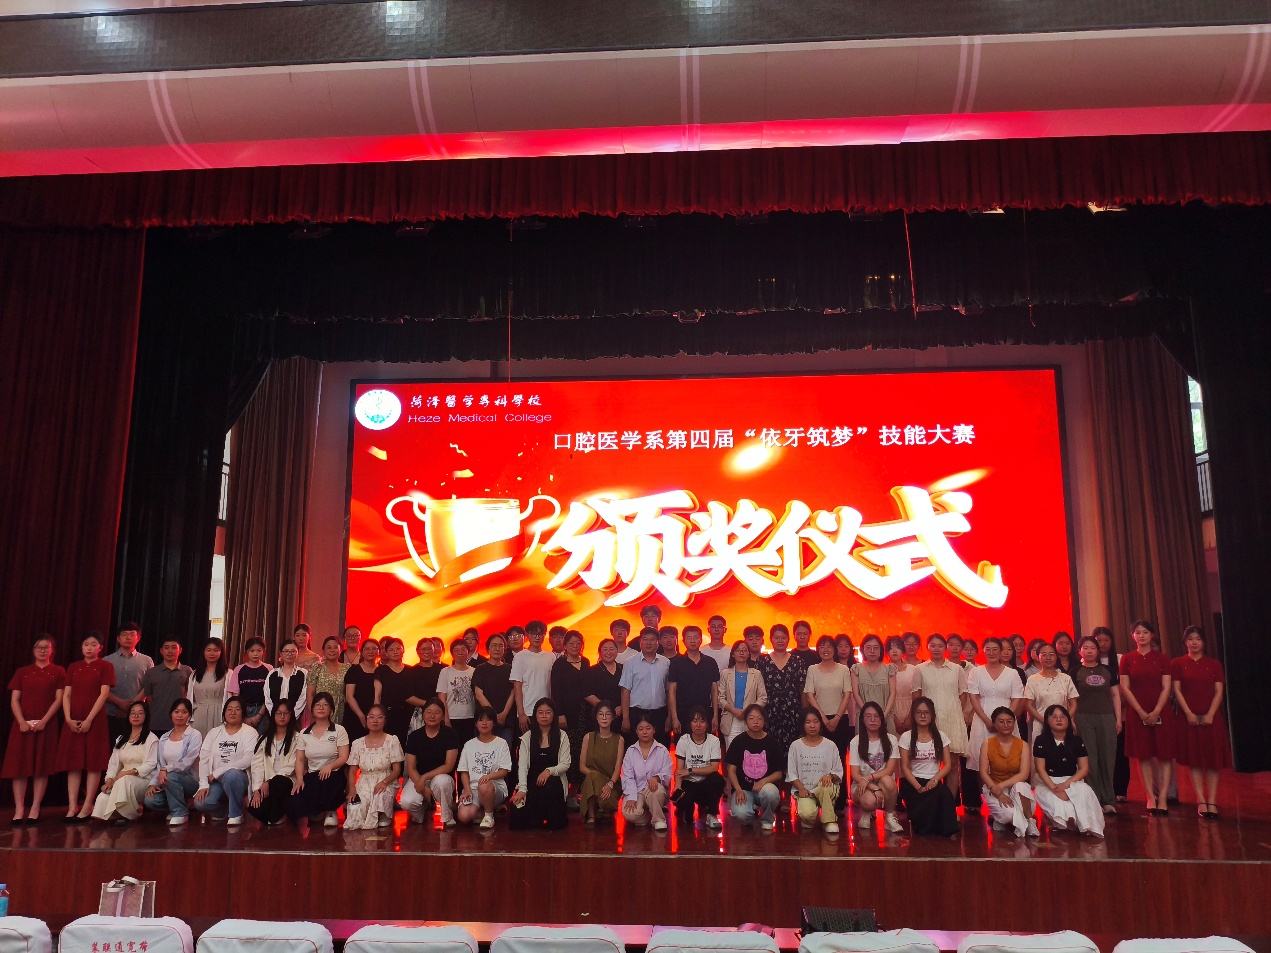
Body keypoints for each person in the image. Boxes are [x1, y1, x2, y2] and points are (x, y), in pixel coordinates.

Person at [3, 634, 65, 823]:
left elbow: (59, 699)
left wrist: (45, 720)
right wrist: (21, 721)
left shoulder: (58, 671)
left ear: (52, 650)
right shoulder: (22, 672)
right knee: (19, 767)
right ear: (33, 650)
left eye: (46, 647)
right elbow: (14, 700)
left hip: (47, 725)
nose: (42, 651)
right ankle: (19, 808)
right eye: (39, 647)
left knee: (41, 767)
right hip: (22, 725)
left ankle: (35, 807)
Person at [1171, 625, 1231, 819]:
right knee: (1194, 760)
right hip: (1187, 718)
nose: (1194, 642)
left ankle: (1212, 800)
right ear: (1185, 642)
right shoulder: (1178, 663)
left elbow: (1219, 691)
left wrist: (1211, 714)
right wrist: (1188, 713)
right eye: (1190, 639)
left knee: (1213, 761)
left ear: (1204, 642)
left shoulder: (1214, 664)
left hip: (1212, 717)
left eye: (1198, 639)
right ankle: (1201, 800)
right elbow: (1177, 690)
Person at [1119, 620, 1176, 815]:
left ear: (1152, 635)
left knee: (1164, 755)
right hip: (1137, 713)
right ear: (1133, 636)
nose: (1141, 635)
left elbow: (1167, 687)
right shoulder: (1127, 659)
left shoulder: (1163, 659)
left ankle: (1164, 797)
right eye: (1137, 632)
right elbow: (1125, 688)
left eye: (1145, 632)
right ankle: (1150, 797)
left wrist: (1157, 710)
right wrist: (1141, 712)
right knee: (1143, 755)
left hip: (1161, 711)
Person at [57, 632, 114, 822]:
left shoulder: (105, 666)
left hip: (95, 720)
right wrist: (68, 718)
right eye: (86, 644)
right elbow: (66, 695)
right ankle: (72, 805)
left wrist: (89, 719)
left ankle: (88, 804)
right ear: (82, 647)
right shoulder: (73, 667)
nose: (89, 648)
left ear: (100, 648)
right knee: (73, 763)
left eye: (94, 644)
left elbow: (104, 694)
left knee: (93, 763)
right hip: (73, 719)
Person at [910, 634, 968, 803]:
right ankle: (931, 803)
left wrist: (954, 710)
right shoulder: (920, 669)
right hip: (929, 722)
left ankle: (949, 805)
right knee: (930, 763)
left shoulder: (957, 669)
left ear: (945, 648)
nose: (936, 649)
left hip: (952, 719)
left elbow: (963, 695)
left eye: (940, 646)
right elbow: (916, 695)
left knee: (953, 765)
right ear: (928, 647)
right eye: (933, 645)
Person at [1032, 704, 1104, 836]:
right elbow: (1040, 769)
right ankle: (1063, 823)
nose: (1059, 719)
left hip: (1072, 781)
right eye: (1054, 717)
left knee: (1084, 790)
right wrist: (1054, 788)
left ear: (1068, 720)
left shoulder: (1076, 740)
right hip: (1048, 782)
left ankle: (1088, 826)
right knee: (1059, 804)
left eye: (1063, 716)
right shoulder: (1041, 740)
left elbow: (1084, 769)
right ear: (1047, 720)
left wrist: (1066, 785)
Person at [897, 697, 960, 837]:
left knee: (945, 794)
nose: (923, 716)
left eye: (926, 712)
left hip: (933, 781)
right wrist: (919, 787)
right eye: (919, 712)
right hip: (912, 782)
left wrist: (934, 780)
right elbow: (904, 767)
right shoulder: (906, 737)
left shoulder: (941, 736)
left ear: (932, 715)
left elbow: (948, 765)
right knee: (922, 819)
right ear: (913, 715)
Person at [1072, 635, 1121, 814]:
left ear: (1098, 651)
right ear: (1080, 651)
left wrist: (1118, 718)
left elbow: (1115, 695)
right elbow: (1071, 698)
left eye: (1093, 648)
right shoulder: (1075, 672)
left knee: (1107, 758)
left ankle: (1109, 800)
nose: (1089, 651)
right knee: (1089, 760)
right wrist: (1072, 719)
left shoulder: (1108, 670)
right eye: (1085, 648)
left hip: (1106, 717)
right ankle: (1093, 800)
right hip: (1083, 717)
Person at [965, 637, 1025, 783]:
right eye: (988, 650)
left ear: (1001, 651)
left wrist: (1005, 721)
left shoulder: (1012, 673)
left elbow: (1017, 698)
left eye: (995, 649)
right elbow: (973, 698)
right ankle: (985, 793)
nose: (991, 653)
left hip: (1007, 717)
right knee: (982, 760)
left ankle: (1006, 791)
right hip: (982, 717)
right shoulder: (976, 672)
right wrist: (987, 721)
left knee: (1008, 758)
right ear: (983, 651)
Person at [289, 691, 351, 826]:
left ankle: (331, 811)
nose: (321, 708)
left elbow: (344, 757)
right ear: (312, 710)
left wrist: (330, 766)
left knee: (331, 781)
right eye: (317, 705)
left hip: (334, 773)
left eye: (325, 705)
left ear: (331, 709)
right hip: (313, 775)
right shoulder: (304, 733)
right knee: (297, 802)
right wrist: (299, 778)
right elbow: (300, 760)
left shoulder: (339, 730)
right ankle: (317, 812)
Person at [193, 696, 255, 826]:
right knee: (200, 803)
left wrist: (219, 771)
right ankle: (222, 810)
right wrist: (203, 784)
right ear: (224, 712)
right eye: (229, 709)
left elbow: (248, 759)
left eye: (237, 709)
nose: (233, 712)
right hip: (217, 782)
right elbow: (204, 759)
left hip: (239, 780)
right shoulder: (214, 732)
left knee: (232, 775)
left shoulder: (250, 732)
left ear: (243, 712)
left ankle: (236, 814)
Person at [510, 697, 570, 831]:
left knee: (549, 785)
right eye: (540, 712)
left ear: (554, 715)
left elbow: (565, 764)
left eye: (548, 712)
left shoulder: (562, 736)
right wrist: (522, 790)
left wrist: (548, 771)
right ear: (535, 715)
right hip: (532, 782)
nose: (544, 716)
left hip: (554, 782)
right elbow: (522, 767)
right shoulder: (527, 737)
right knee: (517, 816)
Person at [91, 701, 157, 823]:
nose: (136, 716)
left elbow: (151, 764)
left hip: (143, 779)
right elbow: (113, 764)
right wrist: (109, 780)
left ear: (146, 716)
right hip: (121, 779)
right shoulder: (121, 739)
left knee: (125, 781)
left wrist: (128, 772)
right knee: (103, 797)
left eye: (140, 713)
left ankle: (128, 815)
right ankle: (116, 813)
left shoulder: (151, 738)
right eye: (133, 713)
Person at [978, 707, 1038, 837]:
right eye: (1001, 721)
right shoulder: (987, 743)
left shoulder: (1023, 745)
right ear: (994, 724)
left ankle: (1030, 821)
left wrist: (1001, 786)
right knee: (1008, 815)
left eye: (1009, 721)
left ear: (1014, 723)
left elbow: (1024, 775)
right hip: (994, 788)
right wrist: (998, 792)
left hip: (1015, 788)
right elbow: (983, 772)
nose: (1006, 725)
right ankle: (1000, 819)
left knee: (1021, 786)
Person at [142, 698, 202, 826]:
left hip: (190, 781)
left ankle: (180, 813)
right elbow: (159, 764)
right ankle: (180, 805)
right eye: (176, 711)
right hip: (167, 781)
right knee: (150, 800)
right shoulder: (164, 737)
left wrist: (167, 769)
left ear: (189, 715)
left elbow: (187, 762)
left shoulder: (195, 735)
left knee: (171, 776)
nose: (180, 715)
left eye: (184, 712)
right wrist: (153, 783)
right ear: (171, 714)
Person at [400, 698, 459, 827]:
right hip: (419, 777)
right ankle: (420, 813)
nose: (432, 716)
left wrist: (425, 777)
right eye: (429, 712)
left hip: (441, 776)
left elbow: (448, 766)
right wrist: (422, 784)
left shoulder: (451, 734)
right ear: (423, 714)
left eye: (437, 713)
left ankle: (447, 815)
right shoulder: (414, 736)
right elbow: (411, 767)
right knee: (406, 802)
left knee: (442, 782)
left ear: (442, 716)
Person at [725, 704, 785, 830]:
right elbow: (731, 770)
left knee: (771, 794)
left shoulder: (772, 743)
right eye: (751, 718)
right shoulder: (738, 741)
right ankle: (749, 817)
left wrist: (763, 781)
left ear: (765, 721)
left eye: (759, 718)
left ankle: (767, 819)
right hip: (743, 790)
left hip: (764, 788)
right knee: (741, 814)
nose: (755, 722)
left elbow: (779, 773)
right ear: (745, 721)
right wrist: (738, 790)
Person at [344, 704, 403, 829]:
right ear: (366, 719)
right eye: (371, 717)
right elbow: (352, 771)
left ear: (385, 720)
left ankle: (384, 814)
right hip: (364, 783)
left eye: (379, 717)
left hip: (385, 781)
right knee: (355, 811)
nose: (375, 720)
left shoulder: (392, 740)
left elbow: (397, 770)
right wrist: (352, 789)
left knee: (380, 798)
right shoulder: (357, 743)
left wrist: (384, 782)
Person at [755, 624, 808, 759]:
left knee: (793, 751)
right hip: (769, 712)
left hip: (793, 712)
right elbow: (757, 689)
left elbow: (802, 689)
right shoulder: (762, 661)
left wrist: (804, 712)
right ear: (771, 639)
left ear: (788, 639)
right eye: (776, 637)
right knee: (770, 751)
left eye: (783, 637)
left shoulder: (797, 661)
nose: (780, 640)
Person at [787, 709, 843, 834]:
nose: (812, 725)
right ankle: (809, 817)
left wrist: (830, 776)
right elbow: (791, 774)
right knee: (807, 815)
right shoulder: (795, 746)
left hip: (825, 789)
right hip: (806, 791)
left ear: (820, 724)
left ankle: (829, 821)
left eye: (816, 721)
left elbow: (839, 773)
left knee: (826, 786)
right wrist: (801, 788)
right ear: (803, 724)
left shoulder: (830, 745)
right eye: (808, 722)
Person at [456, 706, 513, 828]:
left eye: (488, 719)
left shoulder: (501, 743)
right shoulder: (469, 745)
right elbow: (464, 772)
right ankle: (481, 809)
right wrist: (467, 789)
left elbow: (504, 771)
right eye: (481, 720)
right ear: (476, 724)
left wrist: (489, 776)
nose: (484, 723)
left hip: (494, 788)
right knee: (464, 816)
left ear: (494, 723)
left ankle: (488, 815)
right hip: (473, 789)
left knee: (484, 785)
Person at [849, 701, 902, 833]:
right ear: (863, 719)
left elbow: (889, 770)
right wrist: (874, 787)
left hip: (882, 783)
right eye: (868, 716)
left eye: (876, 716)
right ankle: (867, 812)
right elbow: (855, 774)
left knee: (888, 780)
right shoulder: (856, 741)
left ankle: (889, 817)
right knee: (869, 801)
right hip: (862, 785)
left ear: (882, 719)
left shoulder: (891, 740)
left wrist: (868, 777)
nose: (873, 720)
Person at [550, 630, 591, 802]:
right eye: (571, 643)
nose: (575, 646)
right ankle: (566, 793)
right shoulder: (559, 664)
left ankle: (577, 791)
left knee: (583, 752)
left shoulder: (586, 662)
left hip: (585, 713)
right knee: (569, 752)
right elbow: (556, 691)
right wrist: (560, 714)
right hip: (566, 714)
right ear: (565, 645)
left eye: (578, 643)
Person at [246, 699, 298, 826]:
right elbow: (257, 765)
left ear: (291, 715)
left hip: (286, 782)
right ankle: (275, 814)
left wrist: (269, 782)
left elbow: (293, 764)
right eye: (278, 713)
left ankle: (279, 814)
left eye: (286, 713)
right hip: (266, 784)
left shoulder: (298, 738)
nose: (282, 716)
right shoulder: (264, 738)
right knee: (254, 808)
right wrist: (257, 790)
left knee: (278, 783)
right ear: (273, 715)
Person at [1092, 625, 1130, 802]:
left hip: (1119, 712)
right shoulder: (1088, 660)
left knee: (1120, 753)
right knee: (1100, 753)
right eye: (1098, 640)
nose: (1102, 644)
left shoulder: (1120, 659)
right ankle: (1101, 791)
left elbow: (1124, 689)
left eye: (1106, 640)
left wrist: (1118, 709)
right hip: (1097, 712)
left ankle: (1120, 790)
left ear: (1112, 642)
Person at [672, 706, 725, 829]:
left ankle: (712, 815)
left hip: (705, 783)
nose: (698, 725)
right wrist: (677, 788)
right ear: (690, 724)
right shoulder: (683, 740)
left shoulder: (714, 740)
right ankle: (683, 809)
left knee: (717, 779)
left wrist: (690, 770)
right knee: (688, 820)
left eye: (702, 721)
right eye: (694, 721)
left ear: (707, 724)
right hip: (688, 783)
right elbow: (679, 770)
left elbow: (714, 768)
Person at [621, 713, 673, 831]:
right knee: (629, 813)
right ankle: (648, 815)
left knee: (655, 791)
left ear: (654, 730)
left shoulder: (662, 750)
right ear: (636, 731)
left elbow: (667, 773)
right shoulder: (630, 751)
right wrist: (631, 796)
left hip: (654, 790)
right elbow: (627, 776)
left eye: (648, 728)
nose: (644, 732)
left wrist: (656, 778)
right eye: (641, 729)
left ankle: (659, 820)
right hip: (637, 790)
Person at [803, 636, 853, 759]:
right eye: (822, 646)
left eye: (829, 646)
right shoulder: (812, 669)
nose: (826, 649)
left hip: (840, 719)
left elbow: (847, 694)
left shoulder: (843, 669)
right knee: (820, 757)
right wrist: (823, 718)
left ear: (834, 650)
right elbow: (809, 695)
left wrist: (837, 718)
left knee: (840, 757)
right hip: (819, 721)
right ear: (818, 650)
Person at [620, 627, 671, 744]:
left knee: (661, 747)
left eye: (652, 639)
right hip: (637, 714)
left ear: (658, 643)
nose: (649, 642)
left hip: (660, 714)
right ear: (640, 642)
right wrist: (626, 717)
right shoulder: (630, 662)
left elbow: (668, 691)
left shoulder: (666, 662)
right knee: (635, 748)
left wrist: (669, 716)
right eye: (645, 639)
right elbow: (625, 691)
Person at [104, 623, 152, 744]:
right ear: (118, 638)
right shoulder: (106, 661)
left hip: (137, 715)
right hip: (112, 714)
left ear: (138, 638)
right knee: (111, 748)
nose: (128, 637)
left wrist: (131, 706)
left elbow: (148, 685)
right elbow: (102, 688)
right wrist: (119, 703)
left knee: (135, 748)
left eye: (132, 634)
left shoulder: (147, 660)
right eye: (124, 634)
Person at [668, 626, 720, 737]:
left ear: (700, 640)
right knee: (683, 745)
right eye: (689, 638)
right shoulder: (676, 663)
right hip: (683, 713)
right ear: (683, 641)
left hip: (705, 712)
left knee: (705, 745)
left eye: (695, 637)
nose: (692, 641)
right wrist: (674, 717)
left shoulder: (710, 662)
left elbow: (714, 690)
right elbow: (672, 691)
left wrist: (715, 715)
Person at [579, 701, 624, 826]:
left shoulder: (619, 740)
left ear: (613, 717)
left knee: (594, 779)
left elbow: (617, 769)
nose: (604, 717)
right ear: (596, 717)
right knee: (592, 777)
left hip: (612, 784)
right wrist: (597, 778)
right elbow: (582, 767)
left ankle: (606, 808)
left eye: (608, 714)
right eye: (601, 714)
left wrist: (610, 784)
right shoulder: (588, 737)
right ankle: (591, 815)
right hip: (591, 781)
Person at [136, 637, 193, 735]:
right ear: (161, 651)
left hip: (180, 722)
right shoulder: (151, 672)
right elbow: (149, 697)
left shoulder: (187, 671)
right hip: (156, 722)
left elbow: (189, 694)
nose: (170, 651)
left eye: (174, 647)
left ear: (180, 650)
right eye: (166, 647)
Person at [719, 640, 767, 751]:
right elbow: (720, 698)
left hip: (751, 719)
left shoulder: (756, 674)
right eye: (738, 650)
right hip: (731, 719)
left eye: (744, 650)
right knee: (732, 752)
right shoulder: (725, 674)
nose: (741, 653)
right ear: (733, 654)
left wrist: (748, 711)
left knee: (752, 752)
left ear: (748, 654)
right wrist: (734, 710)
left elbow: (762, 698)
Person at [510, 621, 556, 735]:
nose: (537, 637)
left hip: (546, 710)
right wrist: (521, 713)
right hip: (528, 711)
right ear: (527, 635)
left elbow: (553, 685)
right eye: (534, 634)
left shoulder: (551, 656)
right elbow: (517, 686)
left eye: (540, 634)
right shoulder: (520, 656)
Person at [472, 633, 516, 750]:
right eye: (494, 645)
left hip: (505, 722)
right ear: (488, 648)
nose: (497, 649)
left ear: (505, 649)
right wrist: (493, 716)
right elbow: (479, 694)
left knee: (504, 754)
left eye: (501, 646)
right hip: (484, 721)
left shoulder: (510, 669)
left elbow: (513, 693)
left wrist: (504, 714)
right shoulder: (480, 669)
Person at [374, 637, 419, 747]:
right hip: (388, 714)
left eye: (398, 648)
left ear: (403, 650)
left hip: (407, 714)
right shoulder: (381, 670)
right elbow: (377, 696)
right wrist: (377, 715)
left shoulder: (411, 670)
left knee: (405, 745)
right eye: (391, 649)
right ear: (386, 653)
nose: (395, 652)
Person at [1024, 644, 1078, 731]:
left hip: (1063, 725)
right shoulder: (1032, 680)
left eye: (1051, 654)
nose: (1048, 657)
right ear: (1038, 657)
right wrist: (1045, 722)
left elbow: (1073, 704)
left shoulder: (1066, 678)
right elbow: (1029, 705)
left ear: (1056, 657)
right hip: (1040, 724)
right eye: (1044, 654)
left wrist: (1065, 719)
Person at [852, 635, 896, 736]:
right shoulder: (856, 669)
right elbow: (856, 694)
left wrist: (883, 716)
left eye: (876, 648)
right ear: (862, 649)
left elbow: (893, 694)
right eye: (868, 647)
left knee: (887, 743)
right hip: (863, 716)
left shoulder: (889, 669)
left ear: (881, 650)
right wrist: (867, 714)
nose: (872, 651)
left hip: (885, 715)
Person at [225, 637, 272, 731]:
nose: (255, 654)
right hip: (243, 710)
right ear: (247, 651)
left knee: (261, 738)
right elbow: (235, 696)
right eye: (252, 651)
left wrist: (259, 716)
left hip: (263, 710)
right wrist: (243, 716)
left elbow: (270, 695)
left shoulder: (269, 669)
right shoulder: (239, 669)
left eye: (259, 650)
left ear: (263, 651)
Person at [437, 637, 477, 745]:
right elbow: (442, 698)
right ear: (452, 653)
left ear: (468, 652)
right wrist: (446, 719)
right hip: (452, 717)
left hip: (471, 717)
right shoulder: (445, 672)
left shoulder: (474, 671)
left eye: (463, 649)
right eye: (456, 650)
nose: (460, 653)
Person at [187, 637, 228, 738]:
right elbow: (189, 697)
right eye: (208, 650)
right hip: (198, 715)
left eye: (216, 650)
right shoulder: (194, 674)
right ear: (204, 652)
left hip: (219, 715)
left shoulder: (228, 674)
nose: (212, 653)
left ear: (221, 652)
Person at [343, 636, 380, 742]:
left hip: (376, 716)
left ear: (379, 651)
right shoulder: (354, 670)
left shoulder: (382, 670)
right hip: (355, 714)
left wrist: (375, 716)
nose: (370, 651)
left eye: (374, 649)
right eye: (367, 649)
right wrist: (361, 716)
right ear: (362, 652)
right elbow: (349, 696)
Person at [308, 636, 351, 726]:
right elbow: (310, 694)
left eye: (335, 647)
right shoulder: (317, 668)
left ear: (340, 650)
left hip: (341, 712)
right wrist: (313, 714)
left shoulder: (347, 669)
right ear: (323, 651)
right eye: (329, 647)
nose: (332, 650)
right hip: (320, 711)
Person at [583, 637, 623, 731]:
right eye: (605, 649)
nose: (609, 652)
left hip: (620, 715)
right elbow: (588, 694)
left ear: (617, 651)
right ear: (600, 652)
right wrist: (608, 709)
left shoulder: (623, 669)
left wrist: (623, 707)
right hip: (599, 716)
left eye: (612, 649)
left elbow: (630, 691)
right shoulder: (592, 671)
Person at [264, 642, 308, 723]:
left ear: (297, 653)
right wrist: (275, 715)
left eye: (293, 651)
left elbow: (303, 698)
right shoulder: (273, 674)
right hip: (273, 719)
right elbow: (267, 697)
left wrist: (292, 716)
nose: (289, 654)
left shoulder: (303, 673)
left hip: (296, 720)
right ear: (281, 653)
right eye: (286, 651)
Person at [888, 637, 916, 736]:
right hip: (891, 711)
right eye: (891, 648)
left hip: (910, 709)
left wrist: (910, 717)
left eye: (898, 647)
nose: (894, 651)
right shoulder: (884, 671)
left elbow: (917, 695)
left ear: (903, 650)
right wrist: (893, 718)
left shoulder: (913, 670)